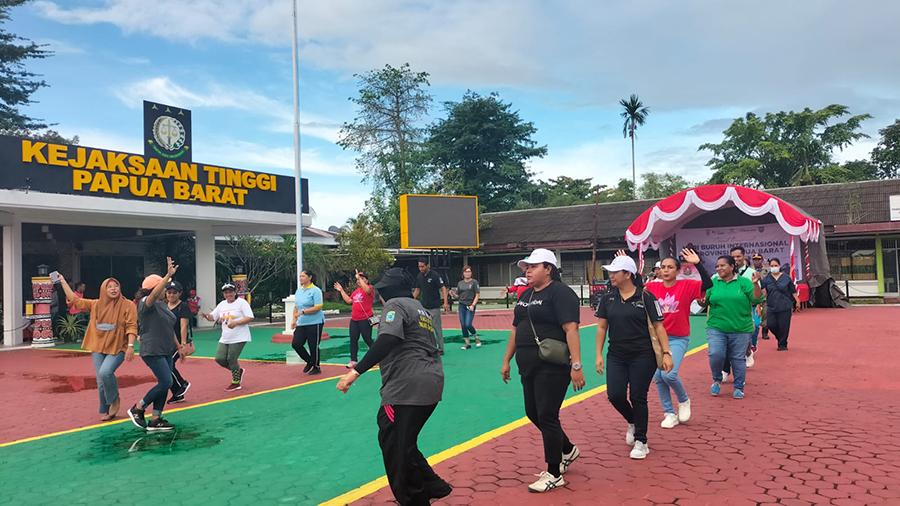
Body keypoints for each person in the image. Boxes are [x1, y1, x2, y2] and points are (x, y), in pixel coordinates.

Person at [336, 267, 451, 505]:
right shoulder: (419, 309)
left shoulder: (395, 306)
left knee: (394, 444)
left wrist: (355, 372)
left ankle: (414, 498)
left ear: (386, 291)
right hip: (430, 382)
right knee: (403, 441)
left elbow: (388, 339)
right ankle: (431, 485)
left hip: (406, 387)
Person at [500, 248, 585, 492]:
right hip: (527, 365)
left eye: (533, 266)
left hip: (552, 366)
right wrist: (507, 360)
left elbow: (571, 330)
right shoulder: (524, 295)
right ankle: (567, 449)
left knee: (547, 415)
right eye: (526, 267)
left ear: (548, 268)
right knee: (533, 412)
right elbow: (516, 330)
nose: (527, 270)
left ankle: (554, 472)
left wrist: (576, 365)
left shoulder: (561, 293)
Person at [595, 254, 674, 460]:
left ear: (628, 274)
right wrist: (598, 355)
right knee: (615, 395)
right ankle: (632, 421)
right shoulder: (608, 298)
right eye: (610, 271)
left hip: (643, 355)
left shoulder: (646, 297)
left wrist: (666, 353)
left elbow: (659, 326)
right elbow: (602, 327)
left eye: (615, 272)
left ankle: (641, 441)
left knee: (638, 396)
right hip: (616, 355)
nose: (611, 275)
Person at [644, 249, 712, 429]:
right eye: (663, 267)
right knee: (658, 377)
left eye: (670, 267)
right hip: (656, 340)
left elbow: (708, 284)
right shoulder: (652, 287)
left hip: (677, 338)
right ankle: (669, 413)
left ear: (678, 270)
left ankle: (683, 400)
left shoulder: (687, 286)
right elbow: (634, 288)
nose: (665, 270)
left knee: (669, 373)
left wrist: (697, 264)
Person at [56, 273, 138, 421]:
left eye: (116, 286)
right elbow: (75, 300)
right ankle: (105, 409)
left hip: (119, 346)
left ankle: (114, 400)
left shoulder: (128, 305)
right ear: (103, 290)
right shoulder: (95, 304)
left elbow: (132, 326)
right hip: (98, 346)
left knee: (106, 372)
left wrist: (131, 346)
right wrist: (62, 281)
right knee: (100, 379)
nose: (113, 289)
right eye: (109, 287)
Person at [127, 257, 184, 432]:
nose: (166, 290)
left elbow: (169, 328)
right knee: (166, 381)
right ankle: (138, 407)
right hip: (152, 350)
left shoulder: (163, 305)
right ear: (154, 288)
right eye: (163, 287)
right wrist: (167, 275)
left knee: (164, 383)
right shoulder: (146, 303)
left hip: (167, 350)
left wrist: (179, 346)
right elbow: (151, 295)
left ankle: (156, 419)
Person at [706, 255, 763, 399]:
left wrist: (755, 284)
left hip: (740, 328)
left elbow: (757, 299)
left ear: (732, 267)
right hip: (716, 326)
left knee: (737, 358)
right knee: (715, 354)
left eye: (722, 265)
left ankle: (738, 387)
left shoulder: (744, 282)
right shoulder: (713, 283)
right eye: (717, 266)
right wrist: (700, 301)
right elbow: (704, 301)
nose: (719, 268)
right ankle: (717, 379)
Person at [200, 283, 255, 390]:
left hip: (239, 336)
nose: (228, 294)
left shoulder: (241, 303)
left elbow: (250, 317)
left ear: (235, 293)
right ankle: (237, 371)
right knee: (219, 358)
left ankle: (236, 382)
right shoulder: (222, 304)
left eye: (230, 292)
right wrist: (207, 316)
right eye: (226, 292)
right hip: (225, 337)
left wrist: (236, 322)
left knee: (231, 358)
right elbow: (213, 317)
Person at [721, 246, 758, 382]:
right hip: (725, 315)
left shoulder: (751, 273)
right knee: (724, 344)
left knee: (748, 335)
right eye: (734, 257)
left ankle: (748, 351)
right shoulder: (722, 274)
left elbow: (757, 293)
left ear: (744, 256)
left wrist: (759, 305)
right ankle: (725, 370)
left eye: (738, 256)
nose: (736, 259)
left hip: (745, 313)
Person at [334, 270, 376, 369]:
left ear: (367, 280)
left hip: (365, 319)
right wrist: (341, 290)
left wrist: (358, 278)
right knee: (353, 339)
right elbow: (349, 300)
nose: (359, 280)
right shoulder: (356, 291)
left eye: (362, 278)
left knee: (367, 339)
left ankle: (376, 357)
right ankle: (353, 360)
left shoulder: (370, 288)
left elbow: (367, 291)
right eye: (358, 278)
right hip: (354, 319)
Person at [760, 258, 799, 351]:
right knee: (771, 324)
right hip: (771, 305)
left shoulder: (786, 277)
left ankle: (782, 344)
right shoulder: (766, 279)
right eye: (772, 266)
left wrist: (797, 301)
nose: (774, 267)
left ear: (779, 266)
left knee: (784, 326)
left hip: (785, 305)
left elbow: (793, 291)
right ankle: (780, 337)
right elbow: (763, 293)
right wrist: (759, 304)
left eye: (776, 265)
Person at [165, 280, 193, 404]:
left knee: (167, 365)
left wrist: (182, 345)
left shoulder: (183, 306)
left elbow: (183, 326)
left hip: (177, 343)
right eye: (169, 292)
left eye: (174, 292)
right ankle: (178, 393)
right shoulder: (164, 305)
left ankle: (182, 384)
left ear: (180, 293)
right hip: (165, 342)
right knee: (165, 366)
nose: (171, 295)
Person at [291, 270, 324, 375]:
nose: (301, 278)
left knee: (313, 345)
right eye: (300, 276)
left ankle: (316, 366)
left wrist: (303, 312)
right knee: (296, 344)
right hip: (302, 322)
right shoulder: (299, 291)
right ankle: (309, 361)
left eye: (303, 276)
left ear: (309, 277)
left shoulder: (316, 290)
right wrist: (294, 320)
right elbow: (296, 307)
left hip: (315, 322)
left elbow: (318, 307)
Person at [413, 258, 449, 354]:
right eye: (419, 266)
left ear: (427, 265)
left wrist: (445, 302)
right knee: (425, 329)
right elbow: (417, 290)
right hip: (424, 306)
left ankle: (440, 348)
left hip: (434, 306)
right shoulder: (419, 276)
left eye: (422, 266)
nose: (421, 268)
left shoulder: (435, 275)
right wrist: (411, 300)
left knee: (437, 328)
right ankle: (429, 347)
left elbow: (443, 288)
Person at [453, 265, 481, 350]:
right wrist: (453, 294)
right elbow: (458, 295)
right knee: (463, 325)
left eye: (469, 271)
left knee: (468, 324)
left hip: (470, 305)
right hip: (461, 305)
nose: (467, 273)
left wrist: (473, 305)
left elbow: (477, 294)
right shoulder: (460, 283)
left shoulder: (474, 282)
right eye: (466, 272)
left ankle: (476, 338)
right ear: (463, 273)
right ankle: (467, 343)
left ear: (471, 273)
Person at [752, 253, 771, 342]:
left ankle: (765, 332)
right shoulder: (749, 270)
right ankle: (753, 331)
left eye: (758, 259)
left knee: (765, 314)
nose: (756, 261)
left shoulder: (767, 271)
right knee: (753, 315)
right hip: (753, 296)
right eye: (755, 259)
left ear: (762, 260)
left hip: (764, 296)